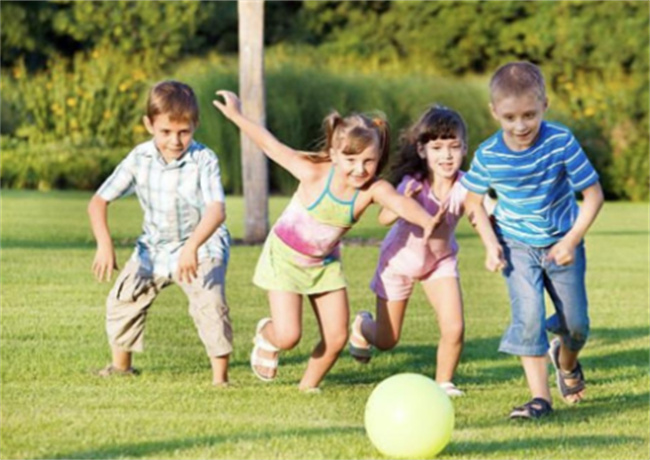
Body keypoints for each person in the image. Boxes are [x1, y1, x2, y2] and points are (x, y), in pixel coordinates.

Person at [213, 90, 443, 392]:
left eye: (368, 161)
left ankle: (306, 388)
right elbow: (270, 145)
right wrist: (237, 116)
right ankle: (269, 336)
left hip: (324, 264)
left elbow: (398, 203)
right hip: (284, 259)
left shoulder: (372, 189)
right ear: (334, 154)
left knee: (335, 338)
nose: (359, 169)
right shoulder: (312, 172)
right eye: (350, 159)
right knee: (289, 335)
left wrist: (427, 221)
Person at [461, 61, 604, 419]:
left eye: (529, 114)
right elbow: (472, 201)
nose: (520, 125)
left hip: (562, 243)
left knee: (577, 325)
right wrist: (491, 244)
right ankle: (540, 399)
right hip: (516, 246)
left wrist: (571, 240)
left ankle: (566, 361)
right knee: (528, 316)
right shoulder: (489, 155)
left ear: (545, 105)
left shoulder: (560, 141)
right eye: (510, 117)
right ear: (495, 112)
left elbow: (594, 194)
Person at [88, 80, 233, 386]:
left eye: (184, 132)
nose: (175, 140)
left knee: (210, 303)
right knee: (123, 298)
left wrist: (193, 247)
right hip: (153, 247)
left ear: (195, 125)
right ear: (149, 124)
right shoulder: (139, 158)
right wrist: (104, 244)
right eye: (166, 132)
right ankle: (121, 368)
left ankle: (221, 379)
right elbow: (98, 201)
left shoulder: (204, 160)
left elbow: (217, 211)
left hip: (202, 244)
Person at [348, 105, 493, 397]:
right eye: (437, 147)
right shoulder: (412, 183)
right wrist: (402, 200)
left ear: (465, 148)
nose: (447, 155)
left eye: (454, 147)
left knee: (454, 327)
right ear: (422, 150)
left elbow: (483, 211)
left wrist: (495, 240)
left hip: (439, 263)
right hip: (398, 263)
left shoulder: (466, 185)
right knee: (388, 340)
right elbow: (384, 218)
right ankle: (363, 326)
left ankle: (444, 383)